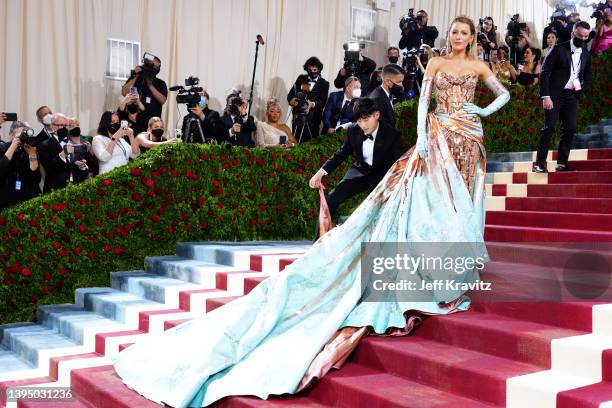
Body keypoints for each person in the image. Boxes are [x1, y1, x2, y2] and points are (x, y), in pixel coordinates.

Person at [113, 16, 510, 407]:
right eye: (454, 32)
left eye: (463, 33)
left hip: (469, 139)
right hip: (438, 136)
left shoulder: (478, 65)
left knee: (460, 202)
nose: (457, 37)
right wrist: (424, 138)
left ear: (473, 37)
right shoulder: (437, 63)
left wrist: (482, 112)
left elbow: (502, 95)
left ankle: (453, 265)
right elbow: (423, 104)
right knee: (427, 203)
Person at [310, 97, 405, 238]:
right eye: (359, 121)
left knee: (382, 209)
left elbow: (400, 162)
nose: (363, 125)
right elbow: (341, 154)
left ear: (376, 115)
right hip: (360, 172)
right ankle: (318, 243)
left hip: (383, 176)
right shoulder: (354, 131)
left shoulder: (391, 134)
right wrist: (320, 172)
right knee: (332, 198)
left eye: (366, 120)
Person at [534, 21, 592, 173]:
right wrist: (545, 96)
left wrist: (580, 91)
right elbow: (545, 73)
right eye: (581, 36)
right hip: (554, 95)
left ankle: (561, 164)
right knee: (549, 127)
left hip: (571, 96)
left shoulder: (585, 52)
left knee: (570, 128)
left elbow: (588, 76)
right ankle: (539, 164)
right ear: (573, 34)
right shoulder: (558, 49)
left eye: (586, 36)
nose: (584, 39)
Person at [287, 57, 330, 142]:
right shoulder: (301, 78)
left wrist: (312, 104)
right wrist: (292, 100)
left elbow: (322, 102)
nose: (312, 72)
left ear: (319, 69)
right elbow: (291, 94)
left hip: (313, 119)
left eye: (315, 70)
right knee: (295, 140)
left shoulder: (324, 84)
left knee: (311, 144)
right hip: (298, 117)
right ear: (306, 69)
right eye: (310, 70)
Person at [0, 121, 41, 210]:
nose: (22, 139)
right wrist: (13, 147)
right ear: (11, 135)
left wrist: (32, 155)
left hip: (29, 199)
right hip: (7, 199)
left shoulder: (29, 150)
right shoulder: (3, 148)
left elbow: (36, 179)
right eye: (20, 136)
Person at [38, 113, 71, 193]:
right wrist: (62, 155)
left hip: (74, 187)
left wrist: (82, 167)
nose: (63, 128)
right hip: (56, 189)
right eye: (60, 125)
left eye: (65, 125)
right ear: (52, 125)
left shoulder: (72, 140)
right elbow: (49, 168)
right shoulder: (44, 144)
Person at [64, 119, 95, 183]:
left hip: (86, 173)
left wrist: (90, 151)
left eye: (77, 125)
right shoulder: (65, 142)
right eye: (71, 126)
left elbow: (92, 159)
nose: (75, 127)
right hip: (72, 175)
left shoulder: (87, 140)